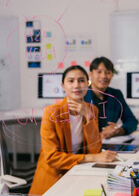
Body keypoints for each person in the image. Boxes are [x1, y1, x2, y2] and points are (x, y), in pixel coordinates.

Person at [29, 65, 117, 195]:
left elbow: (95, 148)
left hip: (79, 171)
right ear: (63, 86)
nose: (77, 85)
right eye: (71, 81)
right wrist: (92, 158)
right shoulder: (51, 112)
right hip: (54, 179)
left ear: (87, 84)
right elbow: (53, 158)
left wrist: (88, 117)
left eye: (81, 80)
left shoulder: (92, 109)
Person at [84, 57, 138, 139]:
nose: (104, 76)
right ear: (90, 74)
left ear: (112, 75)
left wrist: (119, 130)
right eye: (99, 72)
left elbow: (131, 121)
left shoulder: (116, 94)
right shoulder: (82, 96)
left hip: (110, 144)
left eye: (108, 72)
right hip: (87, 145)